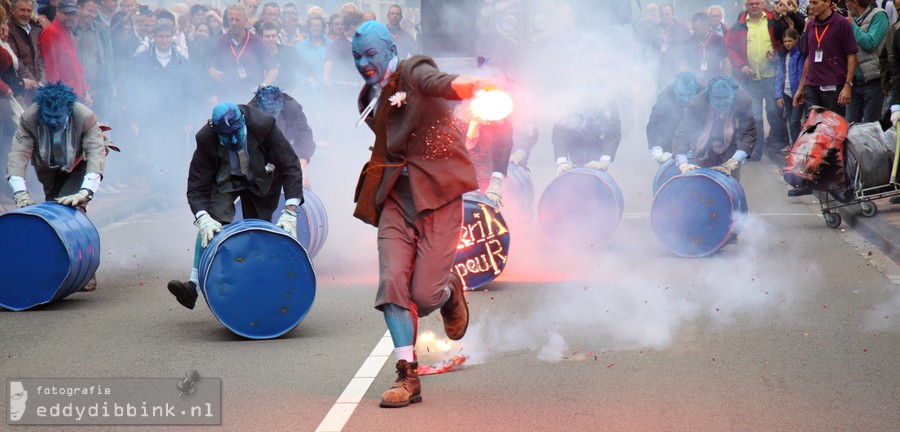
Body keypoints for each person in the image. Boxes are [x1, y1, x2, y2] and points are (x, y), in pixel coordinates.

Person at [351, 20, 488, 408]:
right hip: (396, 199)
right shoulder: (367, 99)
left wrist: (475, 87)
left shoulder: (413, 71)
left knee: (423, 295)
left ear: (390, 48)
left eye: (370, 54)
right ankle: (407, 375)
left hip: (440, 196)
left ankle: (448, 293)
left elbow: (439, 81)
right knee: (393, 280)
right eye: (357, 57)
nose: (364, 63)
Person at [166, 101, 303, 310]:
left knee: (258, 229)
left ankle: (259, 282)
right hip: (226, 179)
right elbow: (197, 186)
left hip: (261, 179)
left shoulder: (263, 125)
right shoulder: (206, 138)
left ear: (243, 123)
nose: (231, 140)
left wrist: (291, 210)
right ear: (215, 130)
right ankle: (193, 285)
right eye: (225, 136)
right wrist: (202, 218)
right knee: (211, 223)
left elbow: (290, 166)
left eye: (235, 133)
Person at [6, 82, 107, 290]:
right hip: (49, 169)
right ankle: (57, 268)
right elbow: (18, 155)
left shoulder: (85, 117)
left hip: (81, 164)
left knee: (71, 209)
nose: (52, 121)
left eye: (57, 117)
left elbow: (96, 155)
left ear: (68, 111)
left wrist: (85, 193)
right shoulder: (29, 118)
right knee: (53, 213)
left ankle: (86, 272)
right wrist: (20, 194)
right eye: (48, 116)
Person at [727, 0, 786, 160]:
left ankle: (777, 143)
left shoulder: (773, 20)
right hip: (750, 78)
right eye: (751, 3)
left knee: (774, 111)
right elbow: (731, 48)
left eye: (757, 3)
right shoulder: (739, 25)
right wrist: (741, 66)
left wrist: (777, 53)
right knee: (755, 114)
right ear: (746, 6)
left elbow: (785, 40)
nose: (754, 6)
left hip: (771, 75)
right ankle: (755, 149)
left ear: (763, 4)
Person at [672, 76, 755, 182]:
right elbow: (683, 132)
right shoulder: (697, 104)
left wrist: (735, 160)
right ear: (710, 97)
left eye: (726, 97)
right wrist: (683, 164)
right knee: (703, 183)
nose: (722, 103)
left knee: (729, 182)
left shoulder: (743, 102)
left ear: (733, 95)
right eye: (718, 98)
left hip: (731, 144)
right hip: (704, 145)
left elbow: (748, 132)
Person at [792, 0, 859, 117]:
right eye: (810, 3)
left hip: (834, 87)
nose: (811, 7)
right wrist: (801, 88)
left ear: (827, 3)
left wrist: (848, 85)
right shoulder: (810, 25)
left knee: (832, 129)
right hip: (812, 86)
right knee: (813, 128)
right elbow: (809, 57)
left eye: (815, 3)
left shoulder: (842, 23)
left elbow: (851, 55)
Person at [247, 85, 315, 188]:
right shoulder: (250, 111)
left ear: (281, 105)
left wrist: (301, 169)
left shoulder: (292, 108)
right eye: (267, 113)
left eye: (274, 112)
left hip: (287, 147)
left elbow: (304, 138)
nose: (271, 116)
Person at [845, 0, 888, 123]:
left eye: (847, 2)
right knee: (850, 126)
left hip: (872, 81)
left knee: (869, 126)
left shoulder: (879, 15)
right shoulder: (853, 19)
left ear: (855, 3)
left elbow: (870, 43)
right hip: (854, 83)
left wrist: (853, 25)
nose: (845, 5)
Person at [553, 102, 622, 175]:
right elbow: (560, 131)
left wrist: (604, 162)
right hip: (575, 142)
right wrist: (562, 162)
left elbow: (613, 132)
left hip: (597, 143)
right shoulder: (568, 99)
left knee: (596, 172)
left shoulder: (607, 99)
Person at [648, 72, 700, 164]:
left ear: (695, 89)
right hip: (670, 149)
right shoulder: (664, 97)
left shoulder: (705, 97)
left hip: (699, 150)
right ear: (674, 90)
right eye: (681, 95)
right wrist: (658, 152)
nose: (686, 99)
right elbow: (654, 125)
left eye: (689, 94)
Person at [775, 28, 806, 151]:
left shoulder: (800, 54)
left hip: (797, 93)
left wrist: (801, 91)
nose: (787, 43)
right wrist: (778, 95)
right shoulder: (784, 55)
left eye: (790, 41)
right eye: (785, 41)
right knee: (789, 120)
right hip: (787, 92)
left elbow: (801, 74)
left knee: (795, 121)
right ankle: (793, 146)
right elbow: (780, 75)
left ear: (796, 40)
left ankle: (797, 149)